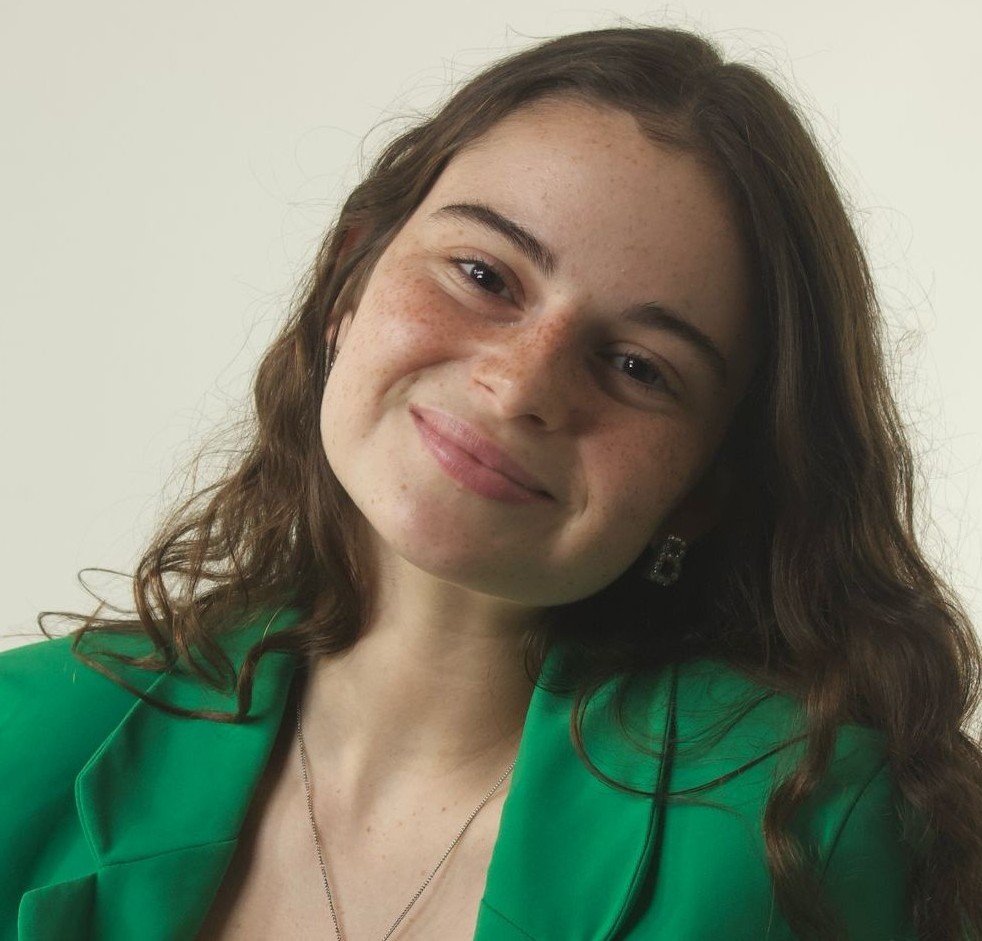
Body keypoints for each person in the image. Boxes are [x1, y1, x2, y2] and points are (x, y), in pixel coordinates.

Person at [2, 25, 981, 941]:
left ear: (704, 484)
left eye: (637, 365)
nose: (518, 387)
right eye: (482, 273)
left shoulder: (804, 827)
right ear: (351, 277)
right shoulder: (24, 734)